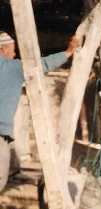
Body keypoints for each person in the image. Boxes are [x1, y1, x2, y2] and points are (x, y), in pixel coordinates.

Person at [0, 32, 79, 191]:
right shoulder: (12, 67)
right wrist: (68, 52)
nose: (15, 54)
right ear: (2, 49)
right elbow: (42, 65)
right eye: (12, 50)